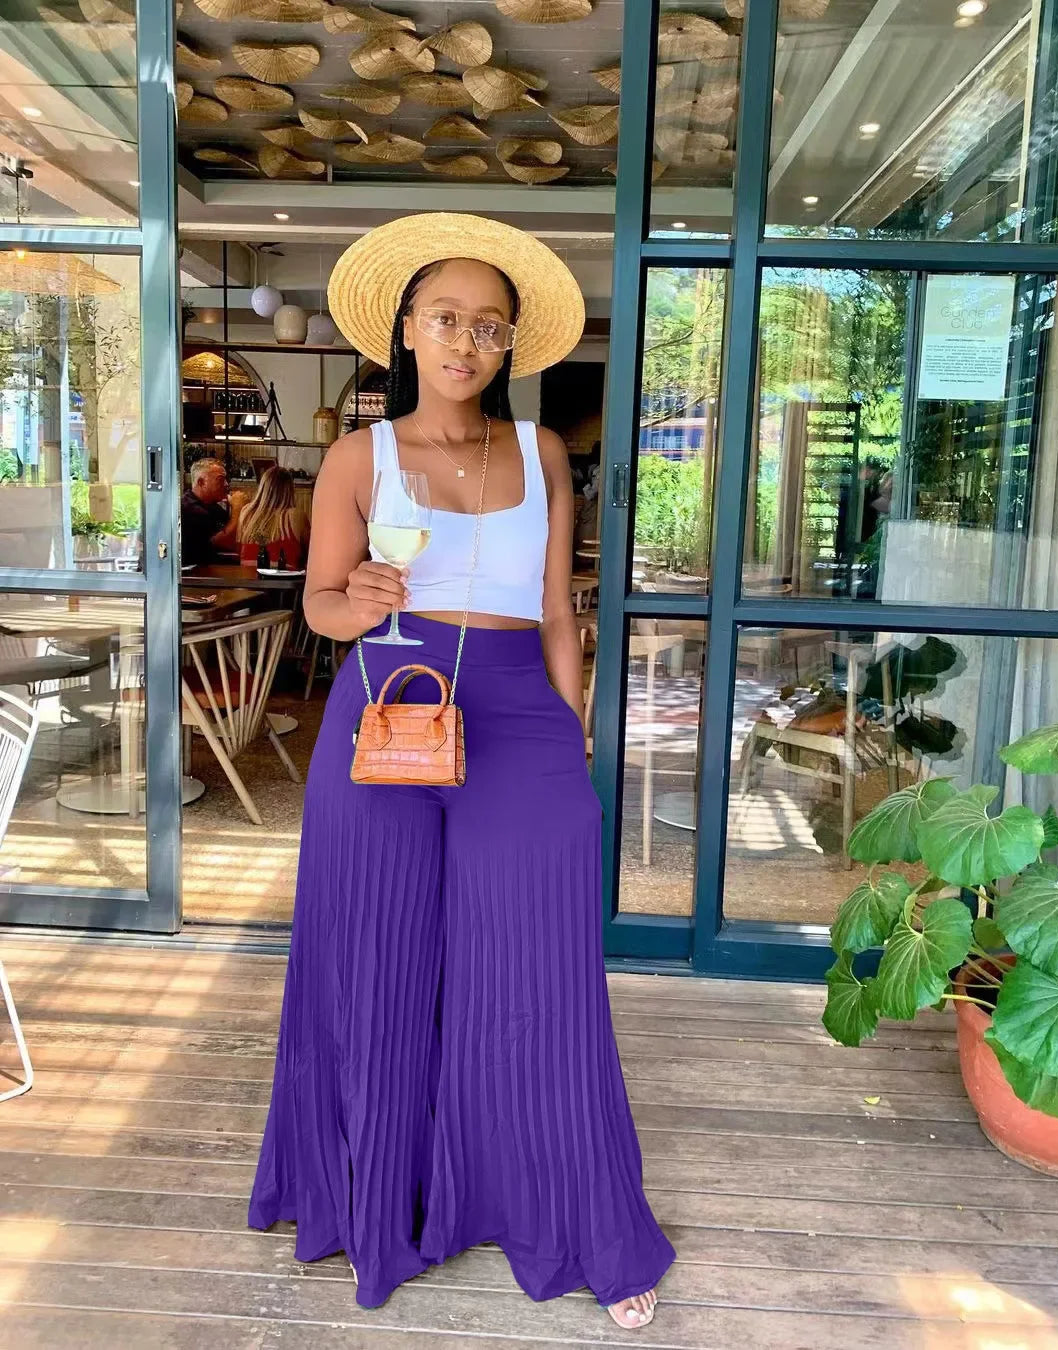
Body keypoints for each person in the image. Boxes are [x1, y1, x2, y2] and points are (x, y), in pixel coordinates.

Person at [247, 212, 675, 1331]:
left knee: (537, 969)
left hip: (520, 715)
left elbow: (558, 613)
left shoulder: (541, 452)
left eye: (488, 325)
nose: (465, 341)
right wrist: (359, 598)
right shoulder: (359, 458)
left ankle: (578, 1218)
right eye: (445, 318)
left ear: (509, 344)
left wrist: (573, 742)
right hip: (386, 706)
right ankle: (377, 1201)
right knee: (376, 960)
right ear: (406, 327)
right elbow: (319, 605)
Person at [236, 464, 310, 569]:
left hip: (248, 577)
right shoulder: (296, 516)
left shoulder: (246, 512)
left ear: (263, 487)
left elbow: (238, 551)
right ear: (289, 490)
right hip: (285, 578)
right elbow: (311, 555)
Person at [181, 457, 243, 565]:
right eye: (220, 480)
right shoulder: (190, 509)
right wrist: (237, 509)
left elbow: (236, 539)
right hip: (199, 571)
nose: (226, 484)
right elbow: (224, 542)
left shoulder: (213, 506)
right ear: (201, 482)